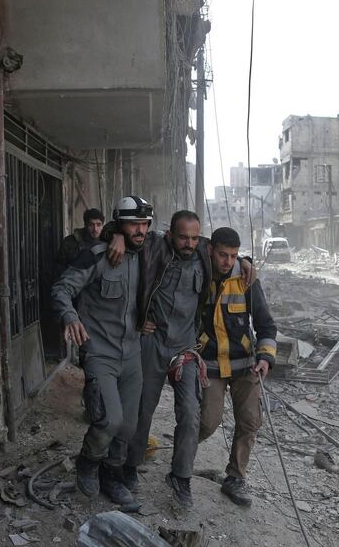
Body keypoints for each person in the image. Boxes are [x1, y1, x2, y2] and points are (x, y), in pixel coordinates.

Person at [103, 212, 256, 510]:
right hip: (152, 344)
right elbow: (126, 231)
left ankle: (181, 476)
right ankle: (129, 466)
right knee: (142, 412)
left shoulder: (203, 251)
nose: (188, 243)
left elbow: (226, 251)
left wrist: (247, 261)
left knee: (190, 411)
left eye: (194, 238)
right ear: (169, 233)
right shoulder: (153, 246)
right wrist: (115, 235)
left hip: (185, 348)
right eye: (182, 237)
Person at [50, 196, 153, 512]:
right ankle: (88, 461)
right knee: (109, 420)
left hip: (132, 351)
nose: (140, 230)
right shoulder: (95, 256)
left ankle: (113, 476)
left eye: (145, 224)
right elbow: (61, 289)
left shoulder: (148, 254)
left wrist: (242, 261)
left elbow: (194, 246)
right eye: (133, 224)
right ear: (119, 223)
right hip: (100, 352)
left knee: (129, 426)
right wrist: (70, 316)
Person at [198, 227, 277, 507]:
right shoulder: (197, 272)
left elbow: (266, 324)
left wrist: (265, 357)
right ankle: (182, 456)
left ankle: (235, 477)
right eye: (222, 255)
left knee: (250, 421)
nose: (227, 262)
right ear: (210, 250)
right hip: (210, 364)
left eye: (233, 256)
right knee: (207, 423)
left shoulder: (246, 279)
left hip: (245, 365)